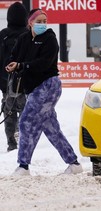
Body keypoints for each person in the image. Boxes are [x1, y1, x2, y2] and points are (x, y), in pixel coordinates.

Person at [5, 8, 83, 176]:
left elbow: (44, 63)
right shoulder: (23, 39)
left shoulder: (50, 39)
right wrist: (12, 64)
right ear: (30, 22)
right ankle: (74, 163)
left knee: (26, 121)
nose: (42, 24)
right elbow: (14, 57)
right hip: (31, 88)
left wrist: (22, 65)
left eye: (44, 21)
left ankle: (23, 166)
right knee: (50, 127)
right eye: (38, 21)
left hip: (48, 86)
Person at [0, 2, 28, 152]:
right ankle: (23, 141)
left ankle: (12, 144)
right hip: (25, 84)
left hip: (7, 83)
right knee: (25, 112)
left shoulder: (3, 35)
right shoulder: (28, 33)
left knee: (8, 113)